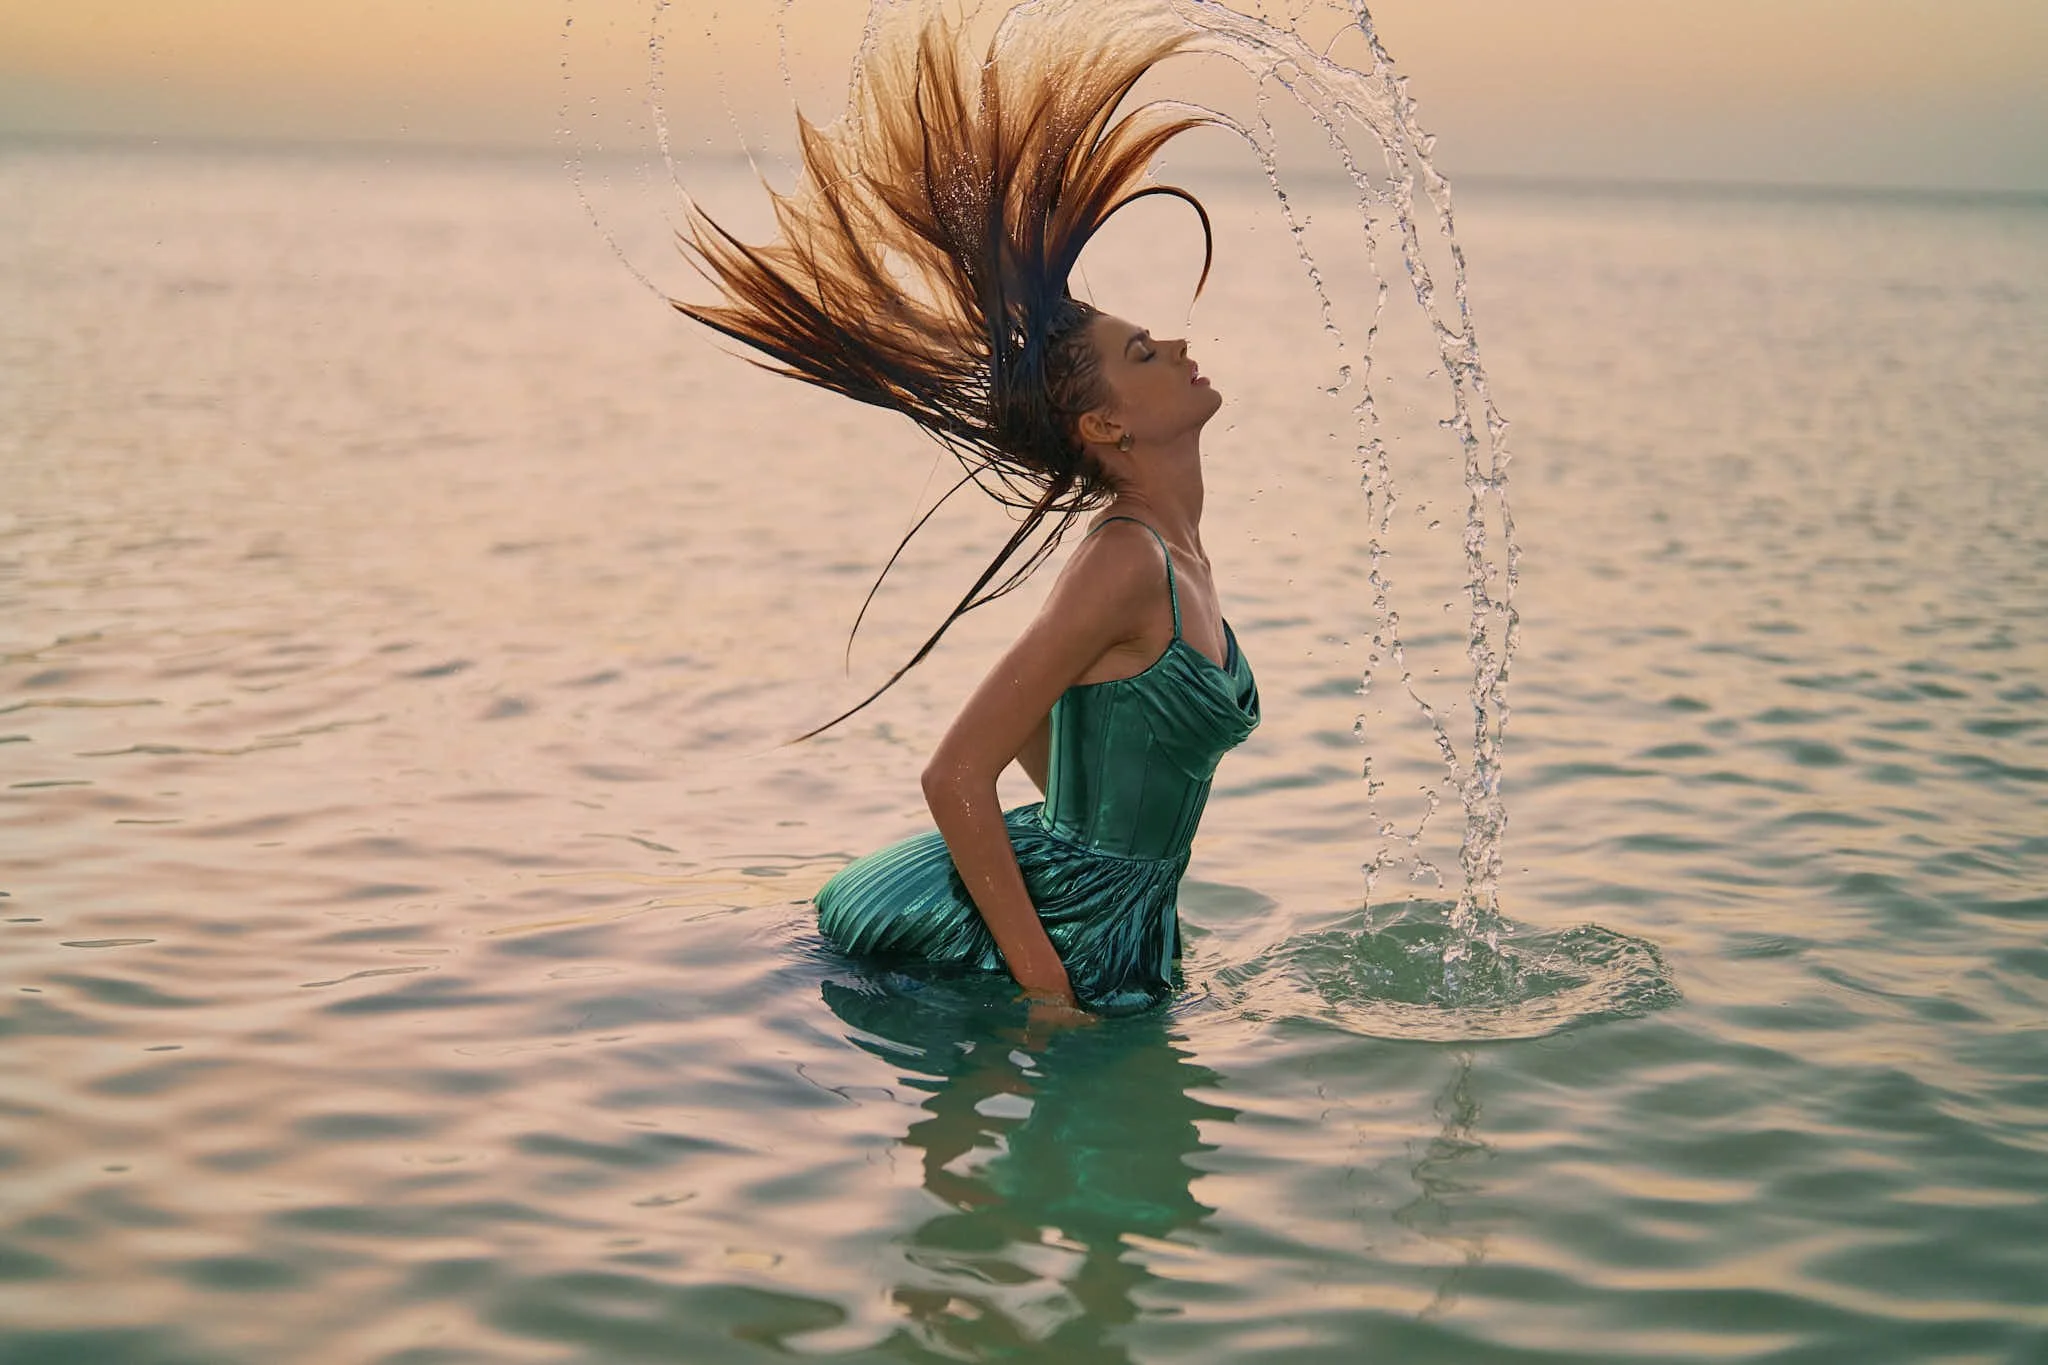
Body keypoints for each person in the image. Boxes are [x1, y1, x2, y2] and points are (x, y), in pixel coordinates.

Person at [673, 6, 1259, 1016]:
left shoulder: (1172, 551)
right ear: (1105, 428)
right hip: (1034, 944)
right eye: (1138, 353)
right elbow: (954, 775)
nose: (1168, 341)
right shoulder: (1125, 560)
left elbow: (1055, 722)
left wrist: (1083, 833)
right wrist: (1046, 992)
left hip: (1105, 916)